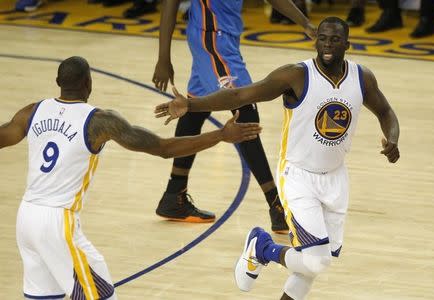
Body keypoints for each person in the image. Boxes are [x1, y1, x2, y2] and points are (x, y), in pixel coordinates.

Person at [155, 17, 400, 299]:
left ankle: (264, 252)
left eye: (334, 39)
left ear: (347, 44)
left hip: (336, 177)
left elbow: (386, 112)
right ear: (315, 40)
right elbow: (239, 94)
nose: (327, 45)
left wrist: (392, 139)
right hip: (298, 177)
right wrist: (192, 105)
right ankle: (263, 248)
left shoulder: (361, 77)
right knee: (315, 260)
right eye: (322, 38)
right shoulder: (295, 75)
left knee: (318, 260)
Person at [0, 56, 261, 300]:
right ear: (89, 83)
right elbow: (163, 148)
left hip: (26, 219)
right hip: (57, 223)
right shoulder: (99, 121)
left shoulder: (32, 112)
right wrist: (219, 136)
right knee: (103, 294)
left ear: (58, 83)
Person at [151, 0, 315, 233]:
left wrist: (305, 23)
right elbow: (170, 4)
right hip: (213, 40)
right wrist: (163, 58)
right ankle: (276, 207)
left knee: (194, 110)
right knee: (244, 112)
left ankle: (173, 195)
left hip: (223, 38)